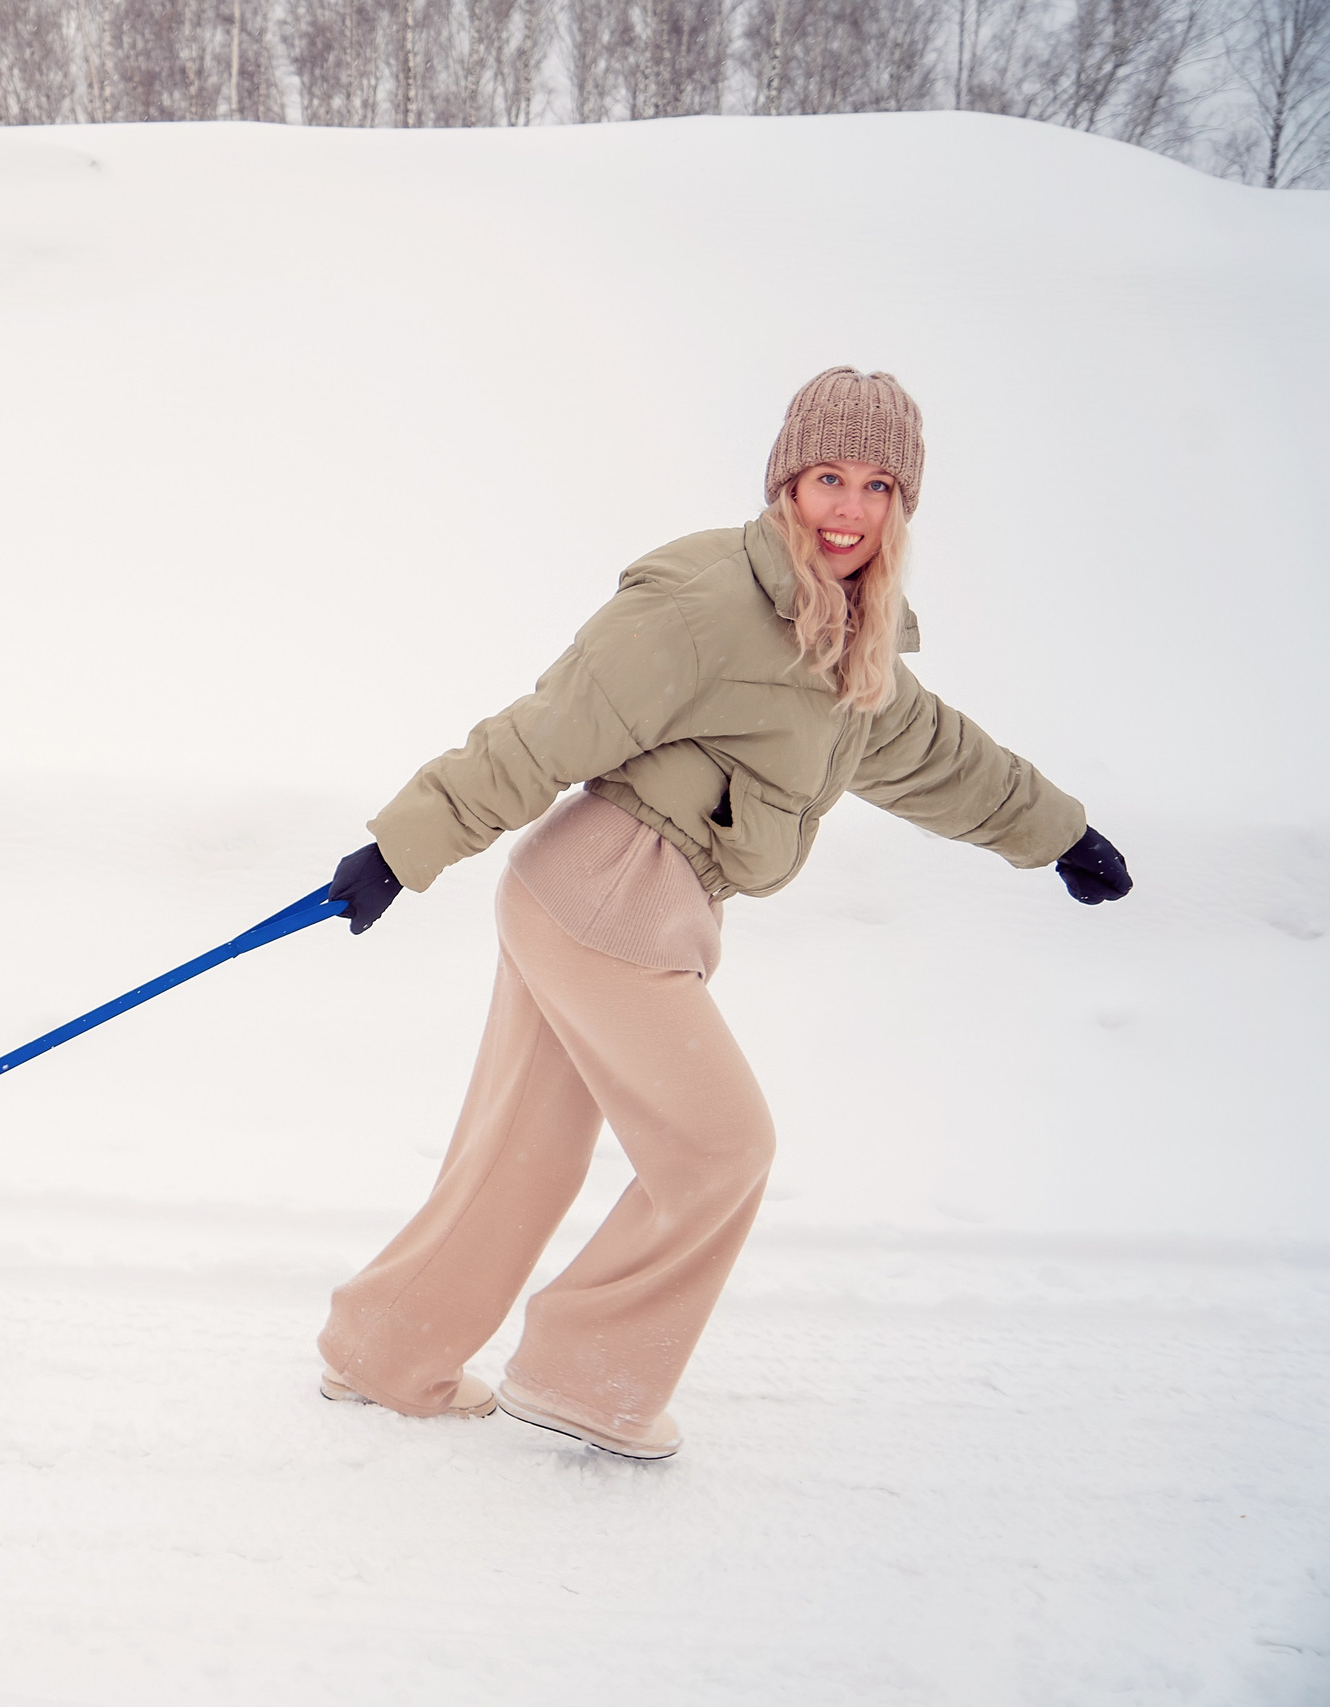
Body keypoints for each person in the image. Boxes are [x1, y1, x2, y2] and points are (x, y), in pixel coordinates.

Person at [314, 368, 1131, 1458]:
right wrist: (401, 850)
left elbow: (939, 757)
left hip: (610, 903)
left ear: (902, 505)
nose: (848, 508)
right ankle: (586, 1378)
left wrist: (1059, 833)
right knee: (720, 1149)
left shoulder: (852, 642)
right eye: (828, 477)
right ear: (786, 482)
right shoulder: (704, 604)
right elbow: (547, 730)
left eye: (877, 486)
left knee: (527, 1153)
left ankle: (384, 1352)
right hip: (605, 900)